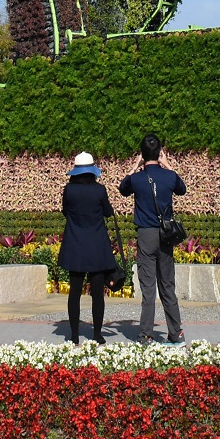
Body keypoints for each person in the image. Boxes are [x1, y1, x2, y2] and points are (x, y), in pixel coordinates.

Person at [119, 133, 187, 345]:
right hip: (166, 235)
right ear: (159, 153)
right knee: (167, 285)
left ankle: (146, 335)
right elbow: (182, 189)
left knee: (148, 288)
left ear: (141, 154)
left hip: (146, 234)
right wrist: (167, 165)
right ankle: (176, 334)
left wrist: (134, 167)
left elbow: (122, 189)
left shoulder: (137, 179)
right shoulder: (169, 176)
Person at [58, 152, 116, 345]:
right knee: (97, 293)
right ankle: (97, 334)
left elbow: (66, 211)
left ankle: (74, 335)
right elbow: (108, 213)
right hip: (97, 245)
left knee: (74, 291)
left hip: (75, 244)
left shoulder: (69, 190)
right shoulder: (99, 190)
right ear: (92, 171)